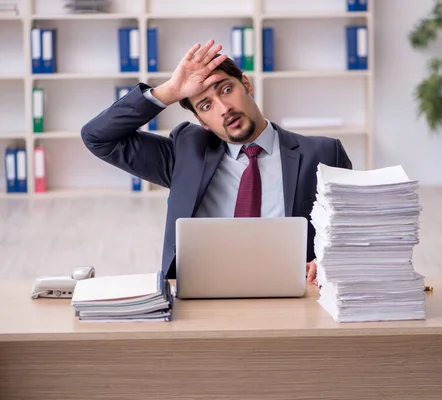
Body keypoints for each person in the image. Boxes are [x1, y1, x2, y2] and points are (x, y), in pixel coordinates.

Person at [80, 40, 353, 283]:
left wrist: (328, 263)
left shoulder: (324, 154)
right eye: (206, 106)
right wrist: (169, 91)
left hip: (293, 294)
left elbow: (352, 236)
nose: (224, 109)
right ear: (201, 122)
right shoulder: (186, 154)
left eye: (225, 89)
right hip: (204, 295)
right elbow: (98, 137)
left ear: (246, 85)